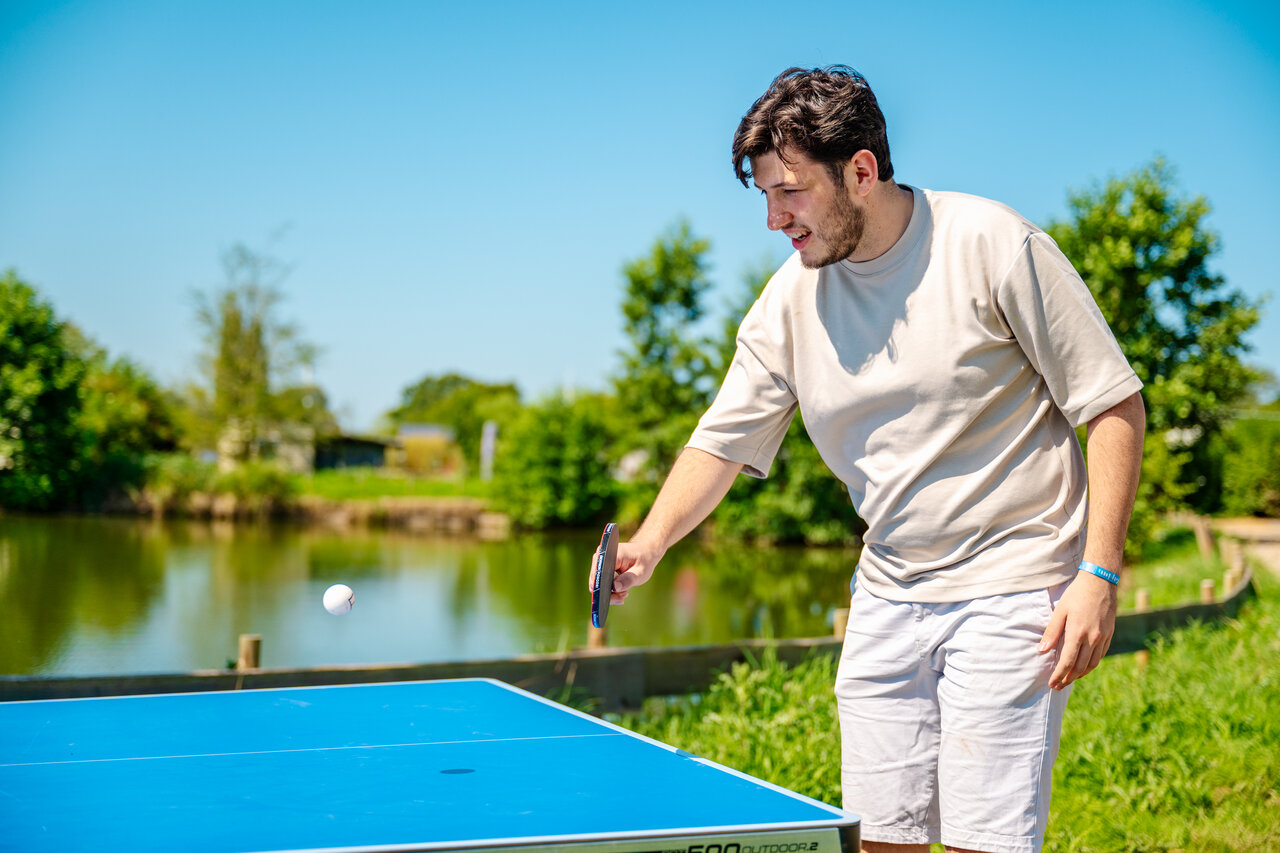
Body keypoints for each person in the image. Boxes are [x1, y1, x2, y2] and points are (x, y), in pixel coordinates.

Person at [594, 66, 1146, 853]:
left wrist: (1098, 574)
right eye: (764, 197)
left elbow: (1112, 404)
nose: (774, 217)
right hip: (888, 592)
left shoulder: (992, 243)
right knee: (881, 839)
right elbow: (720, 439)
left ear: (861, 170)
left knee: (983, 842)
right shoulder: (791, 298)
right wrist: (649, 542)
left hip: (1012, 585)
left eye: (790, 191)